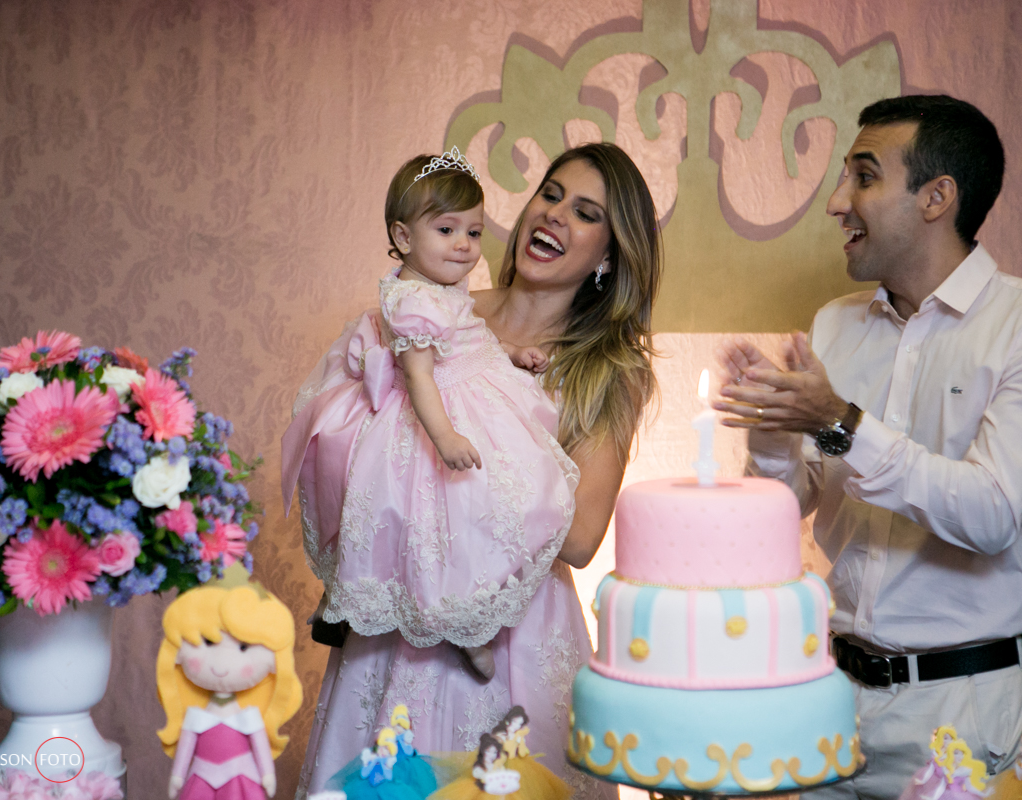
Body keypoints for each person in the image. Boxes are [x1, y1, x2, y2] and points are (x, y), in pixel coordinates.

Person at [294, 141, 661, 798]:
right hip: (396, 623)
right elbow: (342, 443)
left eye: (585, 213)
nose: (554, 215)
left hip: (511, 634)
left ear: (609, 254)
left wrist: (468, 478)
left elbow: (581, 539)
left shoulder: (607, 369)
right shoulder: (437, 310)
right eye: (550, 194)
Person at [714, 95, 1022, 800]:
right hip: (827, 693)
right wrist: (773, 434)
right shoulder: (835, 324)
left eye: (863, 176)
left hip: (960, 712)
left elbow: (995, 514)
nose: (836, 202)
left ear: (936, 197)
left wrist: (841, 422)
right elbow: (789, 506)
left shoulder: (1014, 325)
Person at [282, 148, 579, 682]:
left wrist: (512, 355)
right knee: (441, 515)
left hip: (465, 389)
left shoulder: (439, 289)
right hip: (429, 413)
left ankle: (460, 613)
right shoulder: (414, 302)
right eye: (446, 230)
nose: (464, 245)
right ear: (402, 236)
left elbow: (467, 337)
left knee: (491, 502)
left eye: (473, 232)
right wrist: (444, 437)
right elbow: (420, 376)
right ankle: (461, 625)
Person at [157, 568, 304, 800]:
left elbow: (260, 748)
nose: (222, 663)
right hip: (201, 776)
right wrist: (177, 776)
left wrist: (267, 775)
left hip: (241, 777)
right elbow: (185, 749)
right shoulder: (195, 717)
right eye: (208, 642)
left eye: (243, 647)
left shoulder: (249, 717)